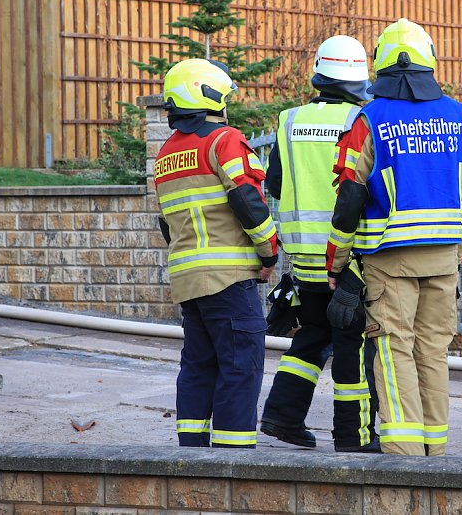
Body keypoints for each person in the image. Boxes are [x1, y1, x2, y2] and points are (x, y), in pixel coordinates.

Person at [325, 18, 462, 456]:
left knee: (394, 351)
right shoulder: (459, 116)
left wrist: (334, 263)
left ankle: (404, 455)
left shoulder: (368, 119)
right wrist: (460, 244)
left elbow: (350, 200)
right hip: (444, 258)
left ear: (382, 66)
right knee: (433, 350)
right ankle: (435, 451)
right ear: (429, 63)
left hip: (389, 258)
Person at [260, 35, 380, 453]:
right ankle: (353, 436)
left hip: (303, 258)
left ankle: (282, 415)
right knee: (352, 343)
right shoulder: (364, 120)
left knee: (311, 334)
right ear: (360, 78)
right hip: (346, 254)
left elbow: (274, 183)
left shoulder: (288, 120)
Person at [154, 58, 279, 448]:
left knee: (197, 366)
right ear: (209, 97)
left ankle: (191, 453)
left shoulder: (166, 154)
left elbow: (166, 223)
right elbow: (247, 198)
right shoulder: (223, 140)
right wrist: (269, 253)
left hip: (188, 281)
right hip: (229, 277)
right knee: (240, 367)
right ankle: (233, 457)